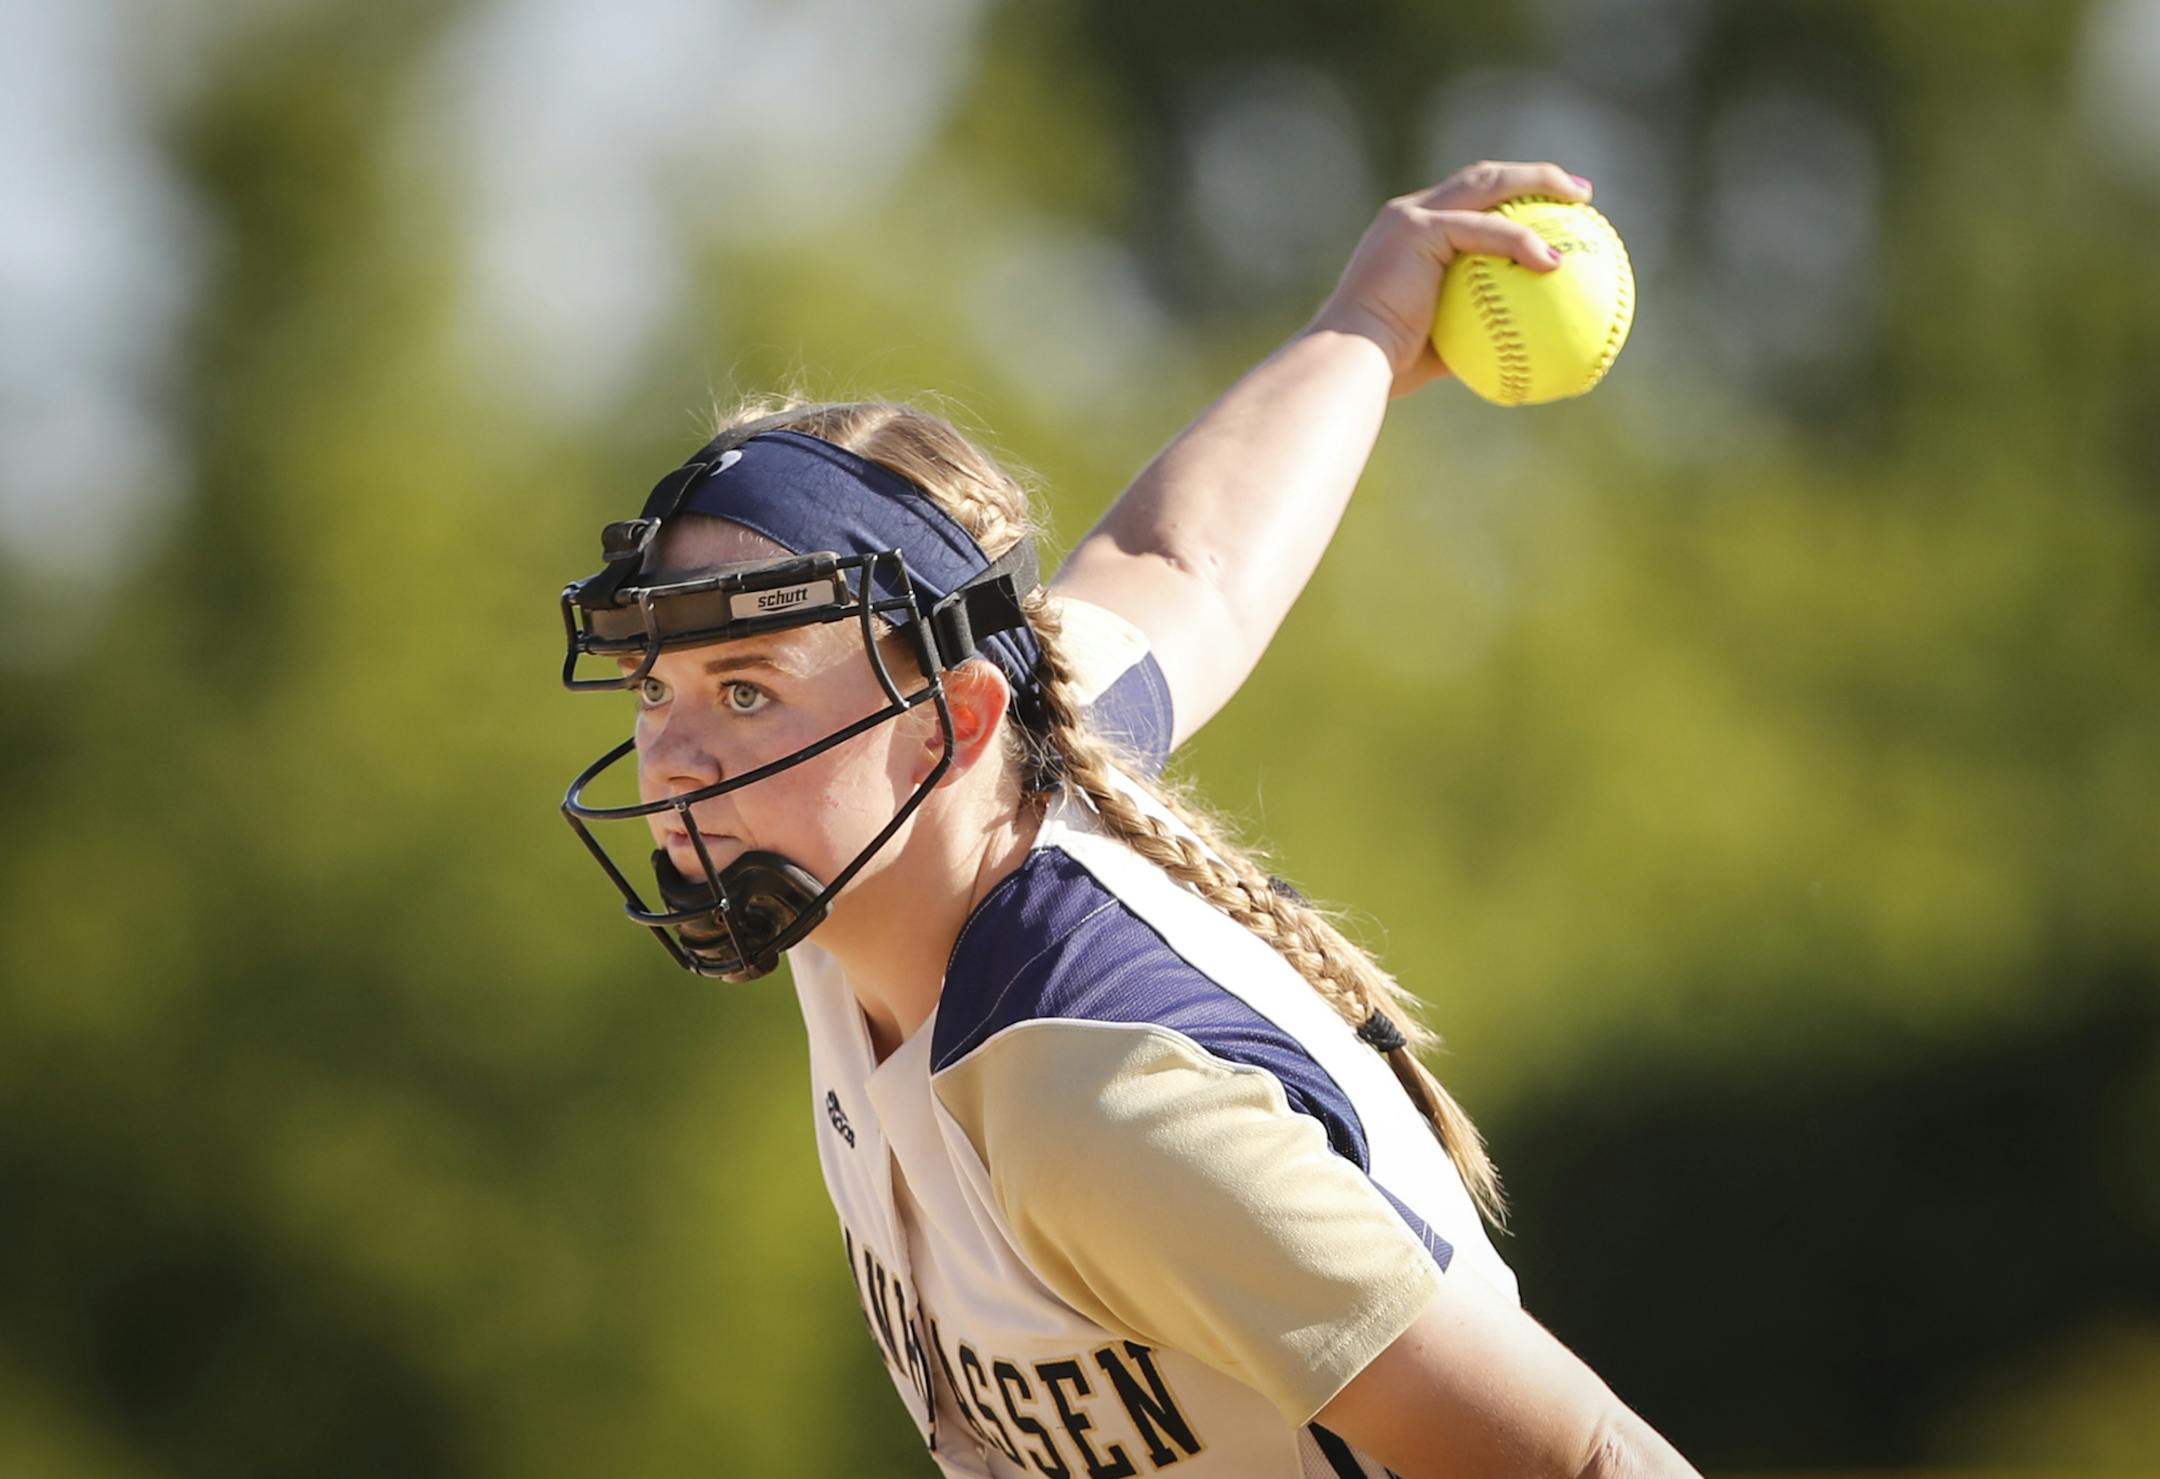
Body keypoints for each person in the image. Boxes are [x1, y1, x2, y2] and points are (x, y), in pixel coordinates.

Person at [557, 161, 1700, 1479]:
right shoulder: (949, 805)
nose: (674, 758)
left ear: (949, 726)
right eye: (657, 686)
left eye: (747, 690)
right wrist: (1370, 327)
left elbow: (1592, 1459)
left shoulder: (1094, 1100)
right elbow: (1183, 566)